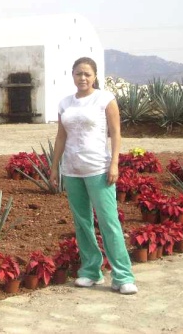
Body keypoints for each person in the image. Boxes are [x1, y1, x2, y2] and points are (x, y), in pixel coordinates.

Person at [50, 57, 138, 295]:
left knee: (109, 222)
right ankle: (91, 271)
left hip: (99, 169)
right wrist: (54, 167)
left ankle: (123, 275)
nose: (83, 78)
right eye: (78, 73)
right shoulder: (65, 103)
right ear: (73, 75)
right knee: (82, 223)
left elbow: (116, 133)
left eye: (87, 74)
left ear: (95, 76)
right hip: (72, 170)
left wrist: (114, 164)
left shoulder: (105, 99)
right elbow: (61, 137)